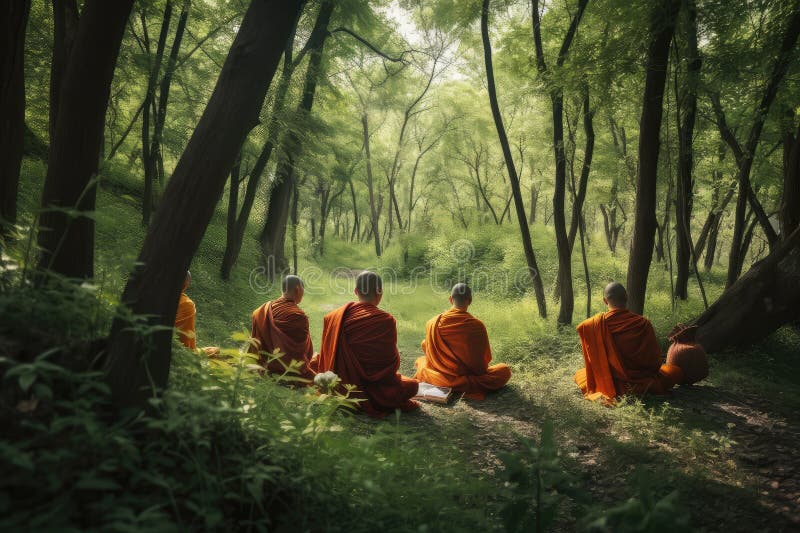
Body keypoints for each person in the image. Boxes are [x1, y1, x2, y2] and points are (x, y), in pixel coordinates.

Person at [310, 271, 419, 417]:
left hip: (340, 387)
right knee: (413, 385)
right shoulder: (386, 320)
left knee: (315, 360)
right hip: (376, 390)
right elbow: (391, 364)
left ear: (356, 291)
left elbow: (327, 356)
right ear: (379, 291)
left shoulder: (333, 317)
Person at [574, 282, 683, 403]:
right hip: (641, 382)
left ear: (605, 301)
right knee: (674, 371)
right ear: (626, 297)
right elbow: (654, 362)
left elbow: (593, 363)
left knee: (580, 375)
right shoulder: (643, 324)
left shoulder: (591, 326)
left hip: (608, 382)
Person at [414, 283, 511, 399]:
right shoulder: (476, 325)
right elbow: (480, 366)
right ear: (470, 301)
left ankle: (440, 380)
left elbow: (428, 348)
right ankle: (460, 384)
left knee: (422, 360)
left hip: (438, 372)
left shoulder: (432, 322)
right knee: (504, 370)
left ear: (450, 299)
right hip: (464, 376)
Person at [249, 275, 314, 380]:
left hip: (263, 367)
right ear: (297, 289)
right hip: (288, 372)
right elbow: (303, 353)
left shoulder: (260, 311)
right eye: (303, 290)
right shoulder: (298, 316)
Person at [175, 271, 197, 349]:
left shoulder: (154, 294)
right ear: (186, 285)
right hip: (178, 347)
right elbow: (186, 334)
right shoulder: (187, 304)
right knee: (215, 350)